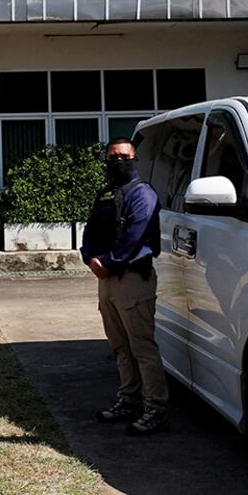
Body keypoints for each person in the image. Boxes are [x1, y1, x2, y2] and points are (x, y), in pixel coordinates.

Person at [79, 138, 168, 435]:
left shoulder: (143, 194)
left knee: (142, 347)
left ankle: (155, 409)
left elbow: (136, 233)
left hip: (131, 278)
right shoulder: (106, 194)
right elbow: (90, 229)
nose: (118, 161)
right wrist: (89, 257)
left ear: (134, 159)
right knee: (120, 347)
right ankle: (129, 400)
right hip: (106, 279)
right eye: (113, 157)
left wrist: (110, 263)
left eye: (124, 156)